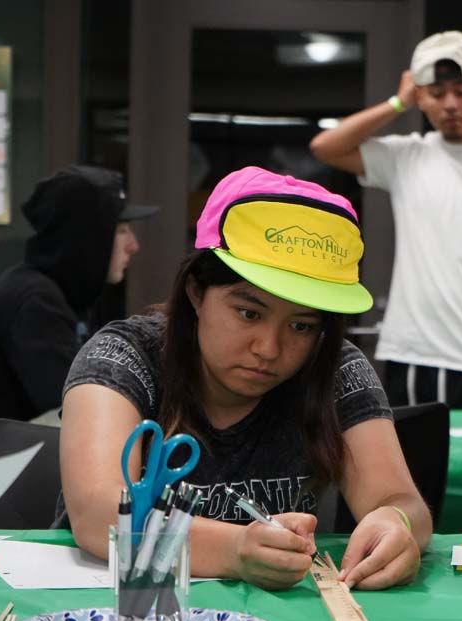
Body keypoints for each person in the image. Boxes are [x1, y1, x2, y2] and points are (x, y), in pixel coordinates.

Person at [61, 167, 431, 591]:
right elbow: (96, 512)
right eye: (249, 313)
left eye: (302, 326)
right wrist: (237, 547)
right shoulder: (124, 355)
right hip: (120, 613)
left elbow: (402, 502)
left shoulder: (336, 370)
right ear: (196, 292)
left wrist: (395, 521)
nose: (269, 349)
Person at [309, 30, 462, 409]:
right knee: (409, 465)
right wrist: (397, 102)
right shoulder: (406, 156)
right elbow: (325, 147)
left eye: (461, 91)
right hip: (410, 351)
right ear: (421, 97)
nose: (451, 104)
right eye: (437, 93)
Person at [0, 165, 153, 469]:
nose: (134, 245)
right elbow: (78, 409)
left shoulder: (64, 295)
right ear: (86, 239)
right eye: (120, 230)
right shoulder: (34, 303)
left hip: (13, 465)